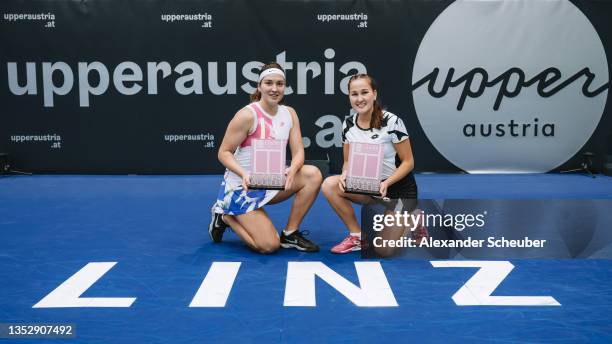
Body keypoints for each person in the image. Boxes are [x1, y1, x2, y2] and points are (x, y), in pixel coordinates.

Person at [209, 62, 322, 254]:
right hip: (243, 187)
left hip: (272, 181)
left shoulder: (290, 113)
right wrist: (244, 174)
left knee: (313, 174)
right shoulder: (247, 115)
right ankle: (224, 216)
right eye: (269, 83)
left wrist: (292, 169)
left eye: (280, 84)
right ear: (259, 86)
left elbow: (298, 152)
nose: (274, 88)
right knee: (269, 246)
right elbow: (223, 152)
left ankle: (290, 233)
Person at [322, 73, 425, 255]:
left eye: (364, 92)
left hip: (398, 191)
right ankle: (357, 236)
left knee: (383, 250)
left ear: (374, 94)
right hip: (368, 187)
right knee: (330, 185)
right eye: (354, 94)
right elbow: (347, 160)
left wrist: (386, 183)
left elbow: (409, 162)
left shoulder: (392, 122)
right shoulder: (347, 125)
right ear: (349, 97)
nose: (360, 99)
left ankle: (414, 217)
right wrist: (345, 173)